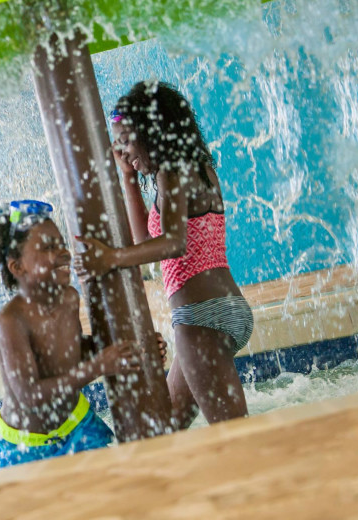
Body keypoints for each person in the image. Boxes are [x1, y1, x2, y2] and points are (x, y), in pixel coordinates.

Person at [74, 81, 254, 429]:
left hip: (200, 318)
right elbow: (146, 239)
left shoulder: (174, 172)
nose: (122, 150)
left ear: (154, 132)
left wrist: (110, 258)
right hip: (218, 311)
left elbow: (173, 244)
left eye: (127, 140)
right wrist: (127, 177)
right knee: (167, 427)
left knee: (236, 436)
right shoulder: (190, 170)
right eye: (118, 143)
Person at [0, 199, 167, 470]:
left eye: (60, 243)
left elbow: (73, 350)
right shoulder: (11, 320)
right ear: (17, 267)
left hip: (76, 426)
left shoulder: (69, 299)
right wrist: (99, 366)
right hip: (26, 444)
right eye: (48, 247)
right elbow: (29, 395)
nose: (63, 253)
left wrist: (134, 347)